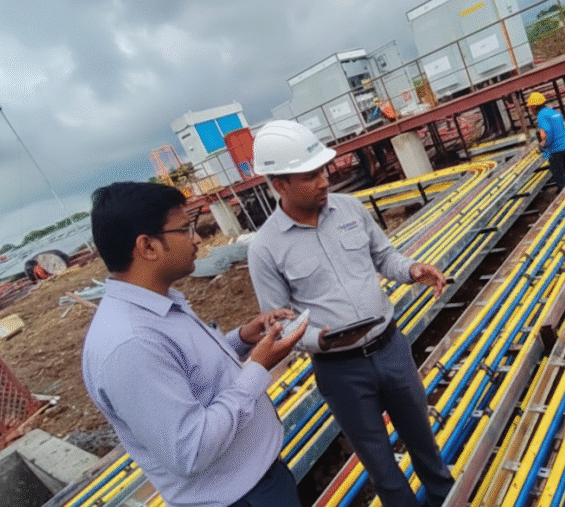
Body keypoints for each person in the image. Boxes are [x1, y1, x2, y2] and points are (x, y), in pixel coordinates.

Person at [246, 120, 455, 507]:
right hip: (340, 370)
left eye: (322, 170)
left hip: (390, 348)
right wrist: (320, 339)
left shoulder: (351, 208)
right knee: (380, 463)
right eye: (309, 176)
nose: (323, 181)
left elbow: (384, 256)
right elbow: (279, 321)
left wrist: (412, 269)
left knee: (422, 439)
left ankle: (446, 497)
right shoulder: (265, 248)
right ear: (279, 184)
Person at [81, 181, 307, 507]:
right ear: (147, 246)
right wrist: (258, 367)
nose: (197, 239)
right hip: (238, 498)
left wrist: (242, 339)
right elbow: (191, 450)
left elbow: (191, 374)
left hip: (256, 482)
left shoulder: (157, 306)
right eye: (186, 229)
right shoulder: (130, 344)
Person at [526, 91, 565, 192]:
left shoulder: (541, 115)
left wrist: (543, 145)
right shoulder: (554, 112)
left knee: (559, 176)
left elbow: (548, 133)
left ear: (534, 106)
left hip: (556, 151)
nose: (529, 109)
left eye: (530, 106)